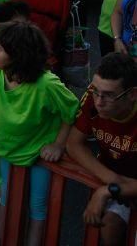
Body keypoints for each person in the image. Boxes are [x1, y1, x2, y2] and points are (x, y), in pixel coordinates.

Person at [0, 21, 79, 246]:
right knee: (6, 197)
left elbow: (71, 110)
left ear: (19, 55)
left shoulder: (46, 85)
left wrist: (58, 145)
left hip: (37, 152)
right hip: (6, 149)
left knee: (37, 206)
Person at [67, 53, 137, 246]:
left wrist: (107, 190)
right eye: (96, 91)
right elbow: (73, 143)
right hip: (118, 178)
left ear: (132, 94)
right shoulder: (94, 94)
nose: (98, 102)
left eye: (109, 95)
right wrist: (112, 180)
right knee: (109, 227)